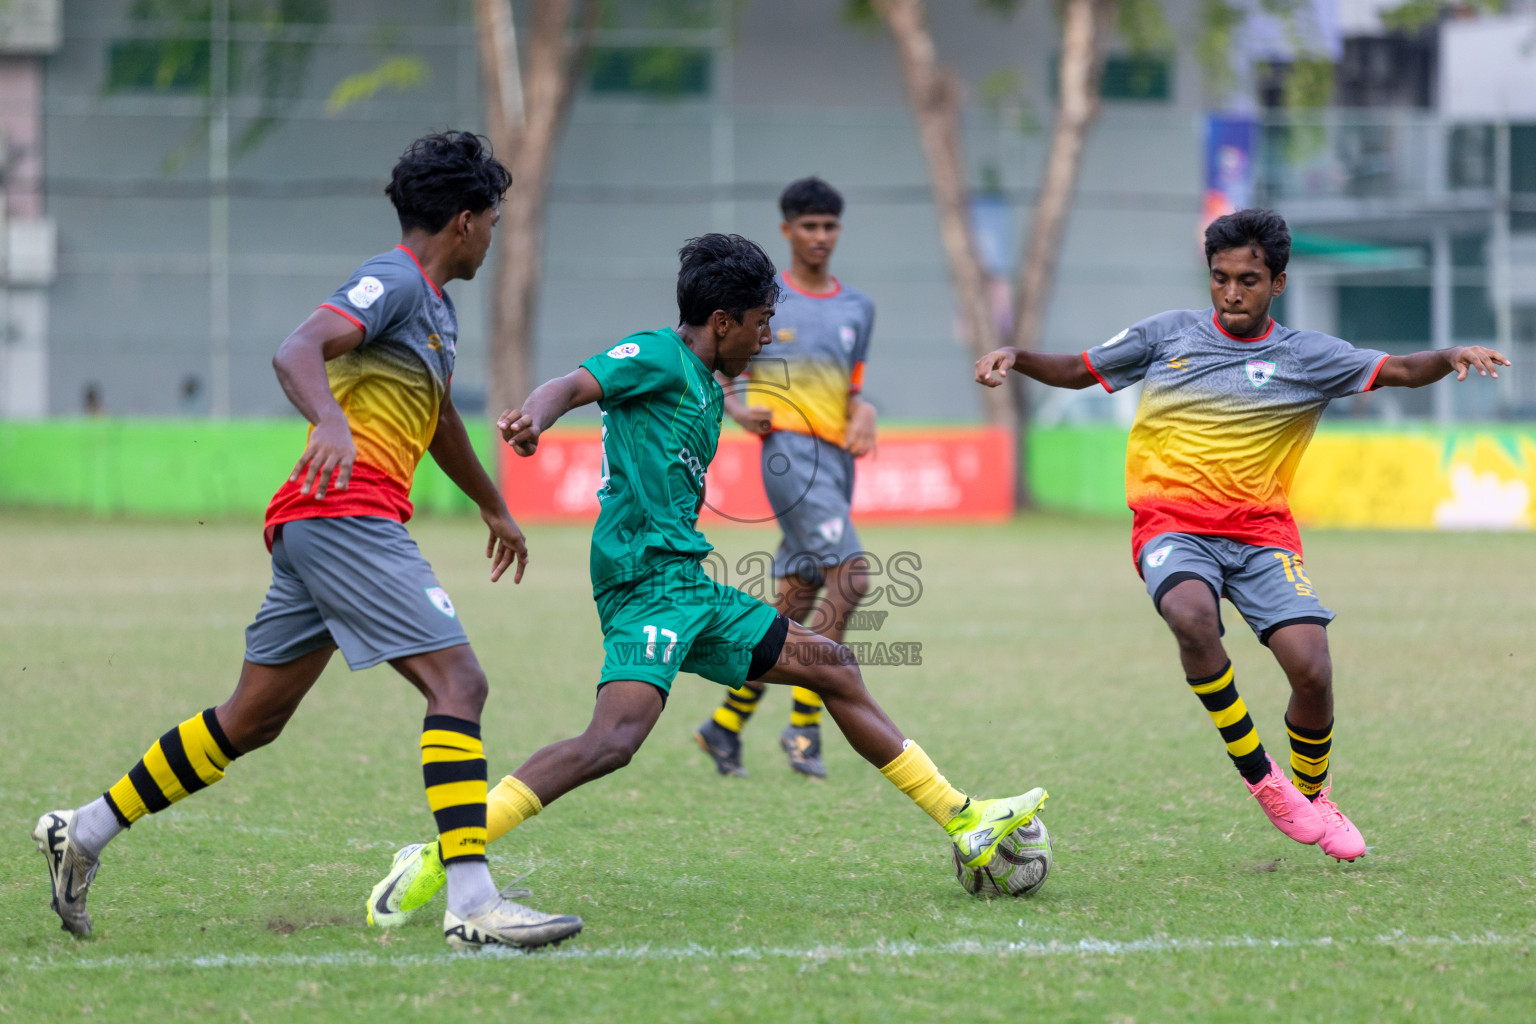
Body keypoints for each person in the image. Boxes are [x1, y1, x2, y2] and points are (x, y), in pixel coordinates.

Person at [364, 233, 1048, 932]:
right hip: (644, 584)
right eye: (759, 323)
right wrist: (532, 419)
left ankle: (964, 820)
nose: (767, 336)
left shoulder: (706, 378)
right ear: (722, 323)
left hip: (688, 584)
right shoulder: (658, 355)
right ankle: (442, 853)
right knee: (612, 741)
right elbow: (572, 384)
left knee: (835, 665)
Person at [32, 131, 583, 952]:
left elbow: (431, 422)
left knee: (251, 719)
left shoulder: (434, 308)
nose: (496, 235)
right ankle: (472, 902)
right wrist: (327, 416)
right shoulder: (394, 279)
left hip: (326, 526)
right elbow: (298, 347)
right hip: (346, 517)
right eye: (494, 219)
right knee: (459, 682)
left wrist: (492, 504)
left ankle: (84, 829)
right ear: (464, 221)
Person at [975, 208, 1509, 862]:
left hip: (1262, 537)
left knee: (1312, 670)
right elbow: (1082, 369)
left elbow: (1397, 370)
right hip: (1172, 524)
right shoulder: (1166, 335)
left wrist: (1450, 354)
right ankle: (1264, 779)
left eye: (1248, 280)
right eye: (1220, 278)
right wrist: (1018, 356)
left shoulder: (1308, 356)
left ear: (1277, 283)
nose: (1231, 292)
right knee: (1191, 618)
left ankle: (1314, 795)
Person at [695, 177, 878, 779]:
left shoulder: (858, 308)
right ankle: (804, 727)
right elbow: (712, 357)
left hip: (836, 461)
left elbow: (850, 388)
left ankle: (723, 728)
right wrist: (736, 404)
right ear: (787, 231)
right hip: (789, 458)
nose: (819, 237)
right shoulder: (767, 300)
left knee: (798, 598)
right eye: (809, 226)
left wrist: (865, 412)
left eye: (829, 226)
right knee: (851, 577)